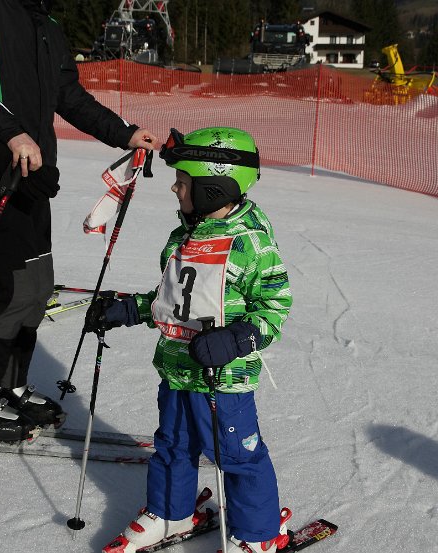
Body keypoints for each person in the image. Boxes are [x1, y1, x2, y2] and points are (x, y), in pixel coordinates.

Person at [0, 0, 159, 442]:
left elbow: (67, 95)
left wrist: (122, 132)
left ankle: (10, 385)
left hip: (29, 172)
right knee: (17, 285)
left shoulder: (44, 20)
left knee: (38, 285)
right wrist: (8, 131)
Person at [89, 127, 293, 553]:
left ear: (212, 187)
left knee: (237, 456)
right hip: (177, 369)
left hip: (224, 378)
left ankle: (259, 535)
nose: (174, 188)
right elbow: (172, 300)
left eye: (182, 182)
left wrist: (238, 338)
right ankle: (171, 512)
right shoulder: (183, 236)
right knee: (172, 446)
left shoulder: (250, 243)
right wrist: (130, 309)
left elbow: (275, 305)